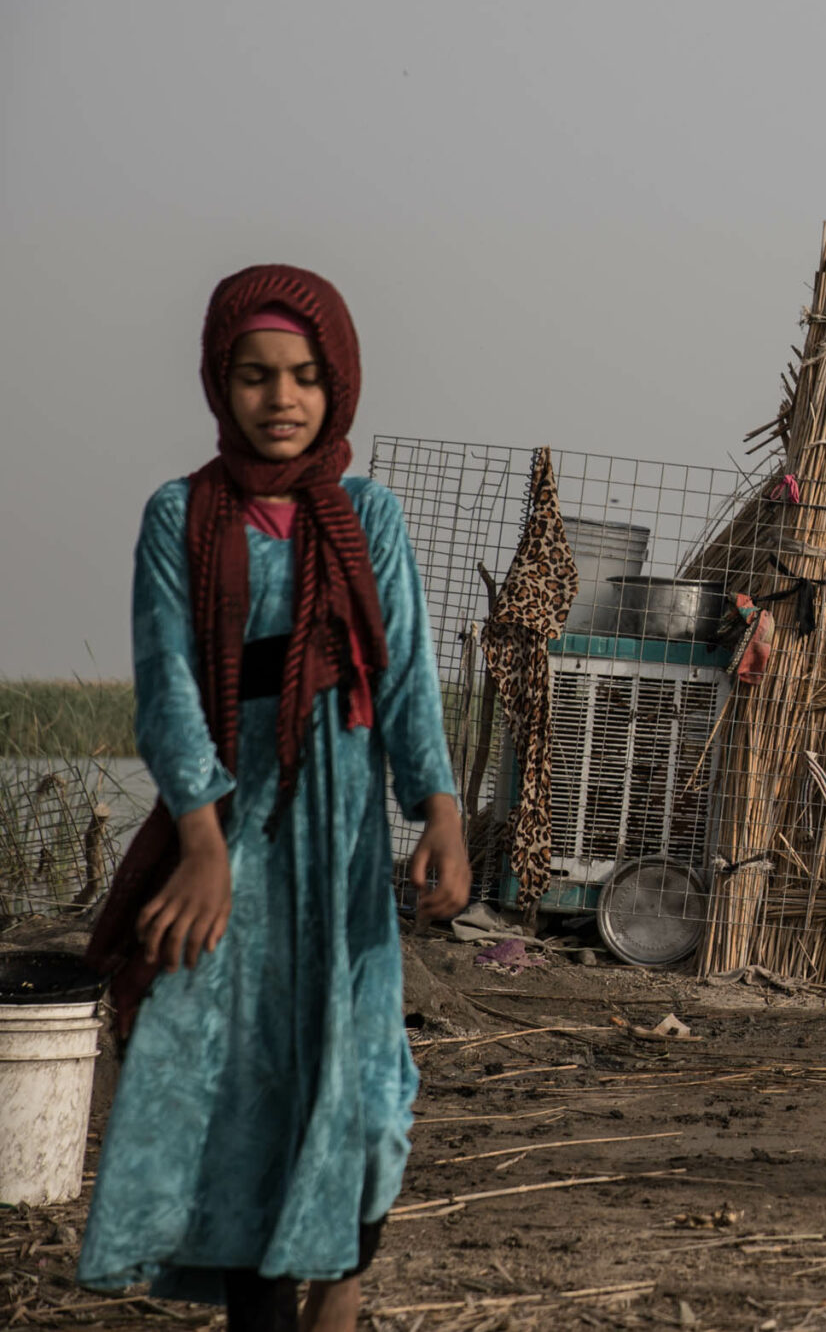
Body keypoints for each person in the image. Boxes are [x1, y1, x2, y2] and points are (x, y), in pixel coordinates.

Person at [78, 265, 469, 1332]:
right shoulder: (182, 516)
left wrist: (438, 807)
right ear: (219, 379)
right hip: (232, 840)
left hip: (341, 841)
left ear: (336, 382)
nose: (281, 397)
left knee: (369, 1093)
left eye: (303, 375)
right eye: (256, 375)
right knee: (240, 1103)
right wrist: (201, 843)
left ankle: (340, 1289)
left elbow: (406, 680)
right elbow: (166, 691)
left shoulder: (369, 518)